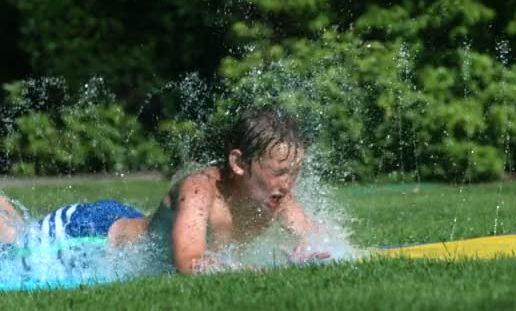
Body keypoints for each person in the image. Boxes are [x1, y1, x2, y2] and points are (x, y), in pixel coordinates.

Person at [0, 106, 329, 273]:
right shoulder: (200, 191)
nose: (287, 185)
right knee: (16, 249)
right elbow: (189, 262)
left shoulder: (273, 195)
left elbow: (315, 240)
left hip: (125, 221)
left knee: (20, 234)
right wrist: (260, 273)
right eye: (279, 173)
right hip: (86, 234)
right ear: (239, 163)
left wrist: (309, 252)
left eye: (294, 173)